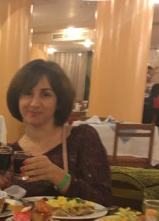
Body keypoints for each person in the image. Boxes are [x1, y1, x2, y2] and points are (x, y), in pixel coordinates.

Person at [6, 59, 113, 205]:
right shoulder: (12, 152)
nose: (34, 103)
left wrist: (58, 176)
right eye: (27, 93)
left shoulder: (82, 138)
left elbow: (104, 200)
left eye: (45, 95)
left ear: (59, 102)